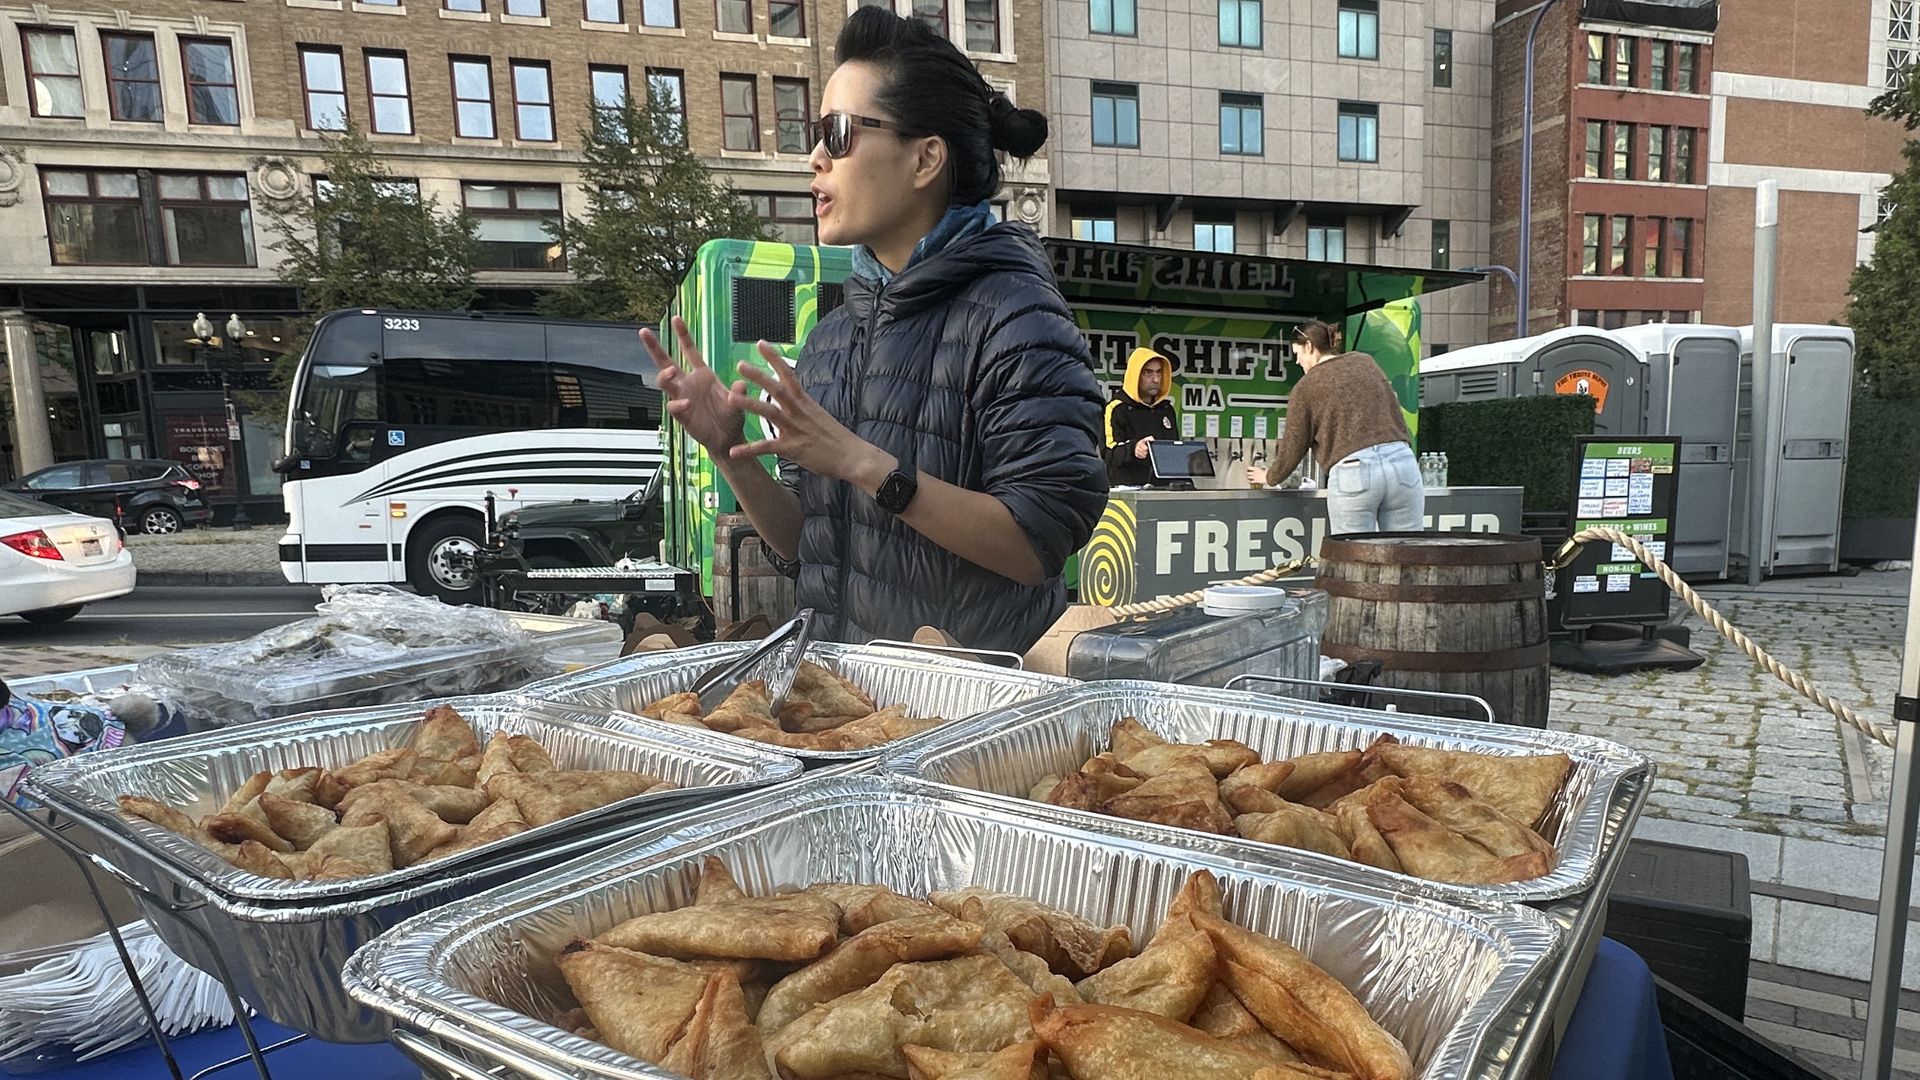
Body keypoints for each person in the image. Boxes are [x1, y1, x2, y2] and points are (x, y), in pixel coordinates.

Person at [639, 6, 1108, 654]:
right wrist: (730, 450)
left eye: (837, 133)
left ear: (925, 160)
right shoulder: (833, 335)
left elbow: (1038, 543)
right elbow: (806, 541)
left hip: (969, 730)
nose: (814, 159)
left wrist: (865, 464)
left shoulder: (1018, 317)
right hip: (850, 715)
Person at [1246, 320, 1424, 533]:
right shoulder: (1365, 362)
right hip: (1402, 463)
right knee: (1407, 552)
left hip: (1354, 471)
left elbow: (1293, 446)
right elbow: (1394, 407)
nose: (1297, 361)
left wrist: (1269, 476)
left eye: (1297, 353)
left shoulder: (1305, 387)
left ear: (1310, 347)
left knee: (1355, 557)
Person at [1104, 347, 1179, 486]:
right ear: (1135, 375)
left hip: (1164, 492)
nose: (1155, 379)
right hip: (1129, 493)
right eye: (1148, 373)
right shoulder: (1116, 408)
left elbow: (1173, 453)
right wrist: (1134, 448)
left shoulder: (1166, 409)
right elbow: (1108, 454)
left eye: (1159, 372)